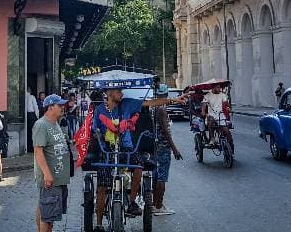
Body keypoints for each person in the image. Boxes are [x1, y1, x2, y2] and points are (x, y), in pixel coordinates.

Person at [92, 87, 186, 222]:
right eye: (119, 91)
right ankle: (99, 224)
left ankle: (131, 202)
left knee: (139, 165)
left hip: (127, 148)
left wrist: (173, 100)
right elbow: (94, 129)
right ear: (109, 93)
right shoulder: (99, 110)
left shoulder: (127, 103)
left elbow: (151, 103)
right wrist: (101, 134)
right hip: (107, 149)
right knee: (101, 186)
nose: (122, 94)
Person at [34, 94, 72, 232]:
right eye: (59, 105)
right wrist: (47, 175)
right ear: (50, 107)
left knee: (47, 212)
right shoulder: (41, 125)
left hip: (58, 178)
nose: (63, 107)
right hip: (50, 179)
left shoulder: (55, 122)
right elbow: (38, 152)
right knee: (47, 217)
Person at [152, 85, 182, 216]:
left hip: (156, 145)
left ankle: (155, 204)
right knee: (162, 177)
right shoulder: (162, 110)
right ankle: (158, 206)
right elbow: (164, 131)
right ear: (165, 94)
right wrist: (174, 149)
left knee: (157, 175)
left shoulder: (155, 107)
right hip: (163, 147)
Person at [26, 88, 40, 153]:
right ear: (30, 90)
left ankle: (28, 147)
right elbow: (35, 107)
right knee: (34, 132)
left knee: (28, 132)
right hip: (32, 115)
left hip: (26, 115)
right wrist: (37, 117)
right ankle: (33, 148)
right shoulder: (31, 97)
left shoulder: (23, 97)